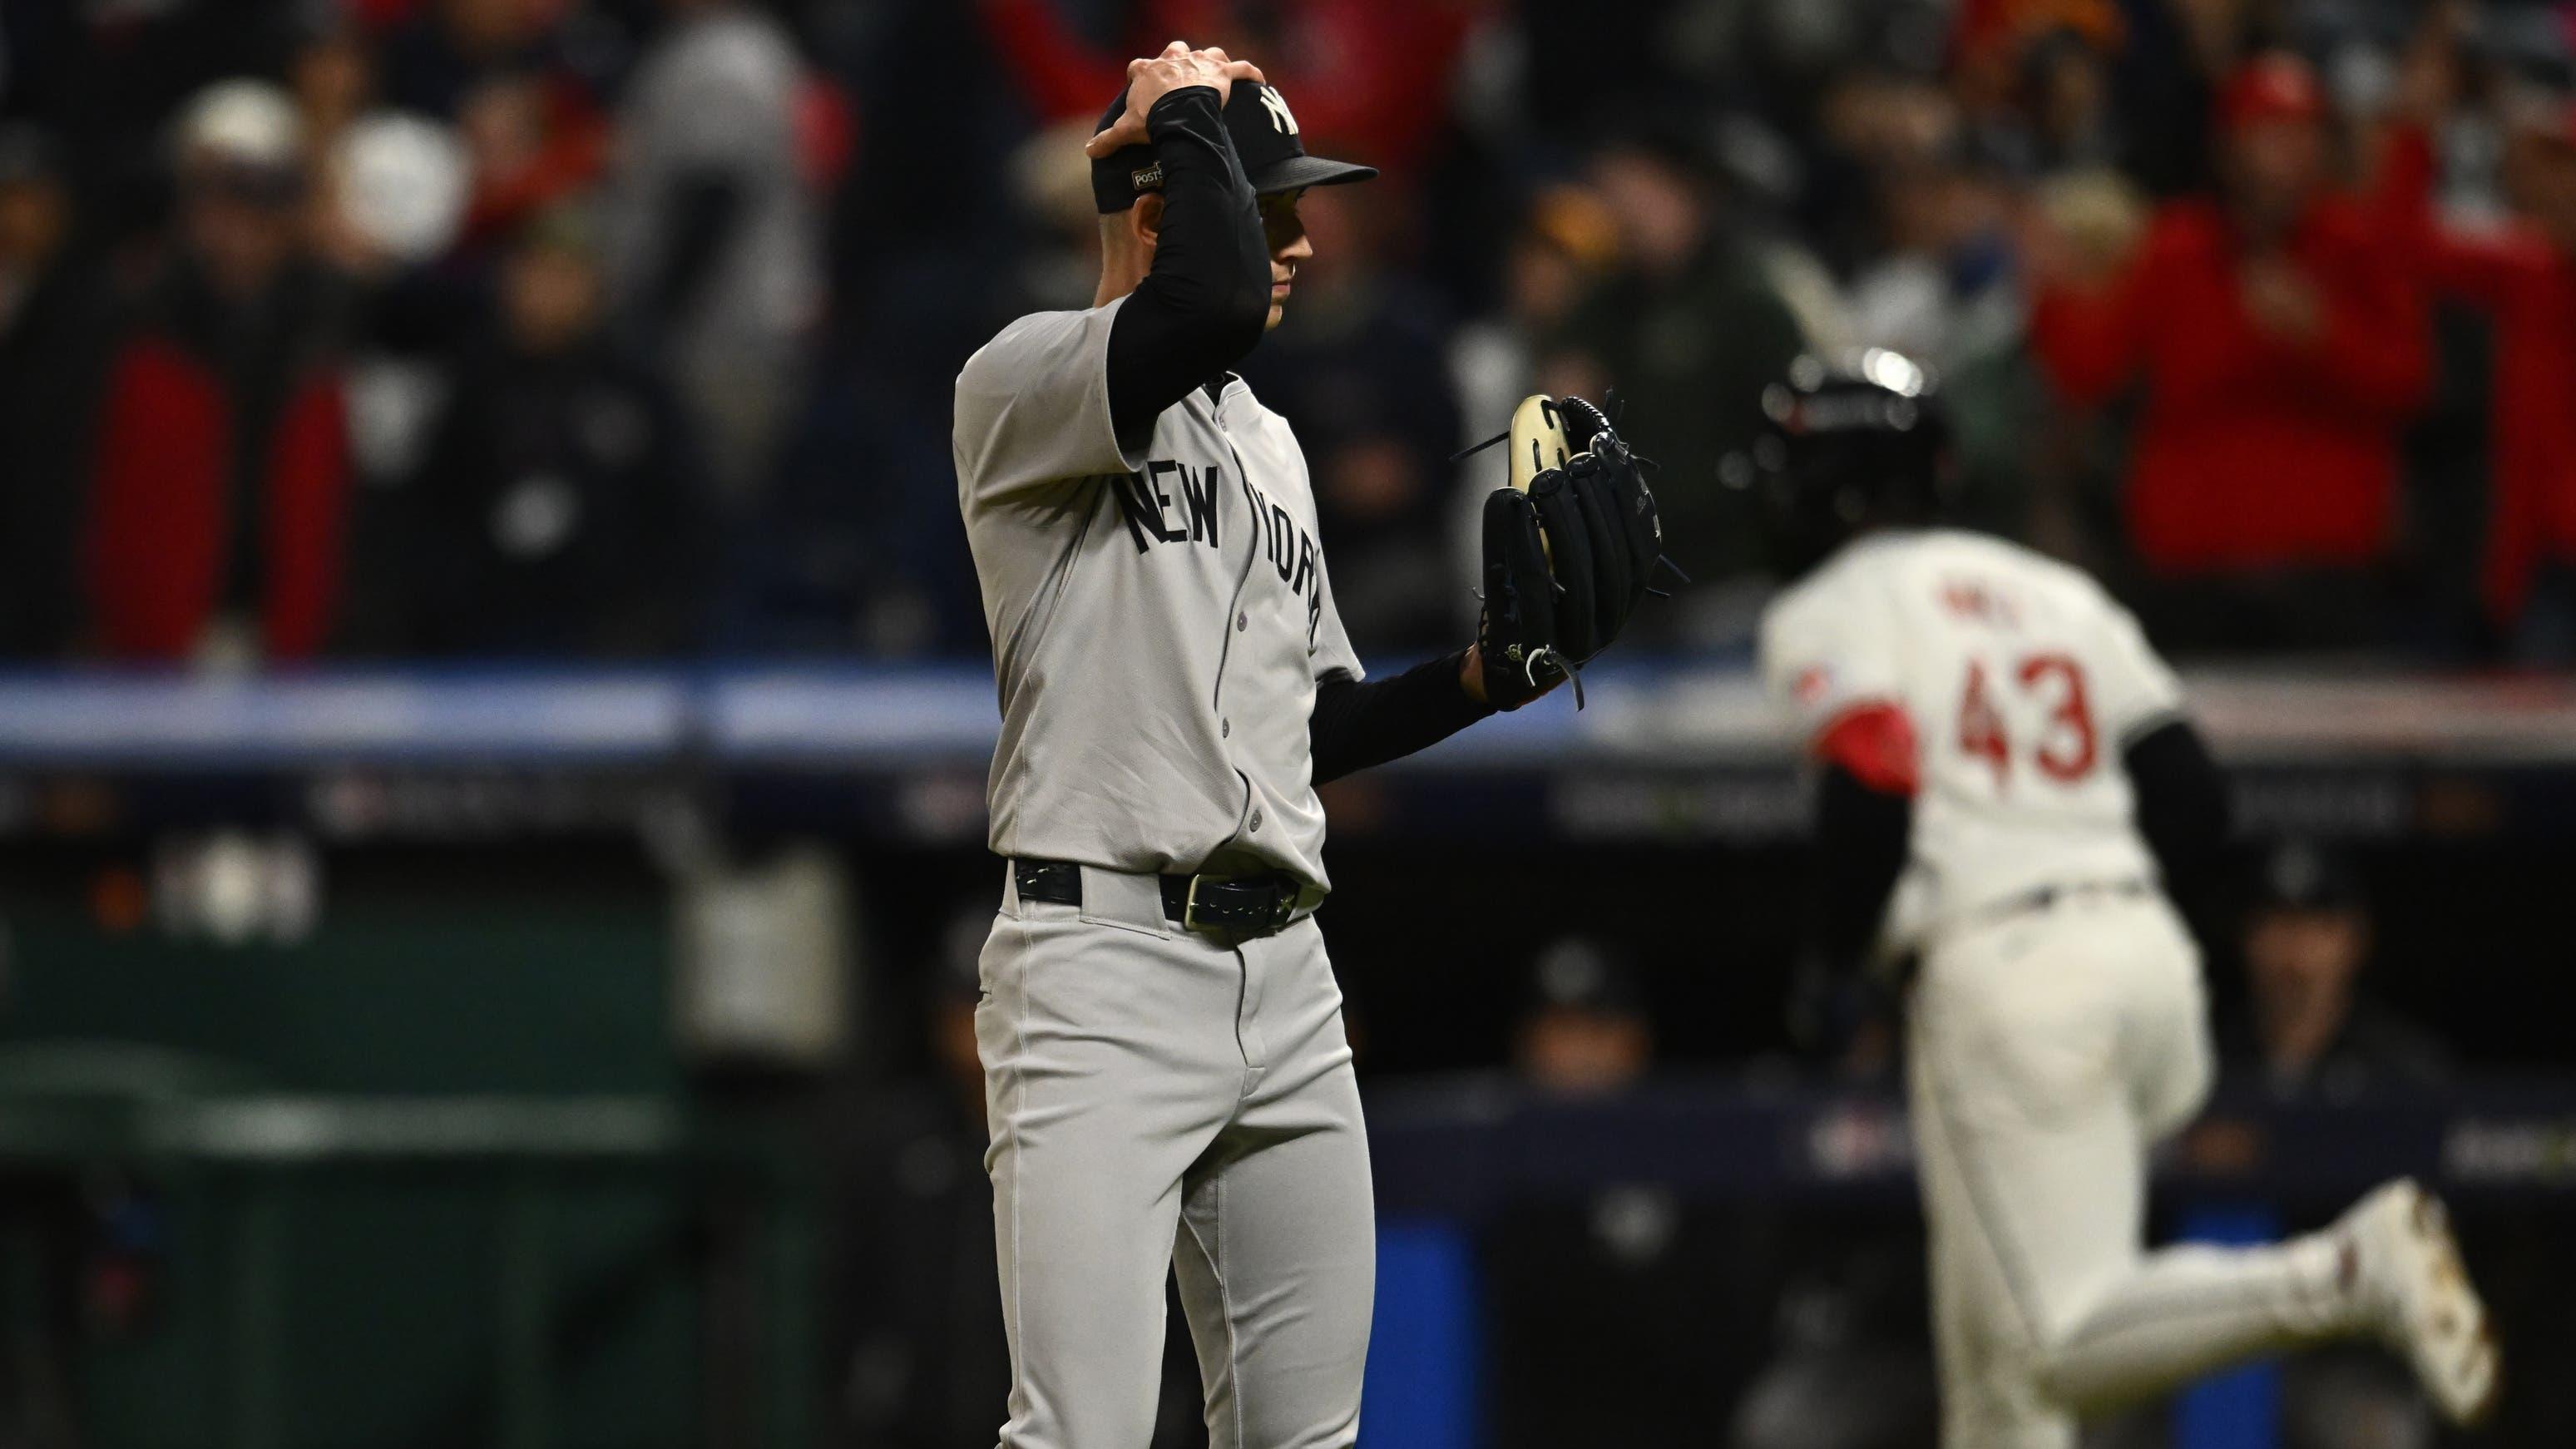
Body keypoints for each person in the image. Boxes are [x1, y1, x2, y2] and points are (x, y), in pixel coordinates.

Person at [949, 43, 1662, 1448]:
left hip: (1284, 974)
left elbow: (1308, 727)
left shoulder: (1268, 443)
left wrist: (1477, 676)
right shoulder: (1024, 382)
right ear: (1159, 210)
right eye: (1267, 206)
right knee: (1078, 1432)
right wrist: (1179, 113)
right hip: (1100, 968)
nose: (1302, 240)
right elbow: (1199, 301)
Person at [1750, 351, 2495, 1448]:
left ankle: (2347, 1267)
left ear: (1826, 485)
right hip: (2141, 956)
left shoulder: (1829, 603)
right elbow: (2192, 796)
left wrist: (1830, 964)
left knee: (2055, 1342)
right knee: (1999, 1377)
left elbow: (1872, 778)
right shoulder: (2053, 587)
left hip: (2004, 977)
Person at [2028, 52, 2429, 652]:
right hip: (2192, 577)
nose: (2283, 158)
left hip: (2326, 576)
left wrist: (2323, 338)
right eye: (2266, 136)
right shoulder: (2176, 250)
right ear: (2227, 149)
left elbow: (2410, 383)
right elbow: (2087, 371)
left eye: (2299, 137)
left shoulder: (2356, 248)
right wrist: (2052, 292)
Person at [2224, 840, 2449, 1098]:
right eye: (2276, 925)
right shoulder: (2205, 1062)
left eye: (2318, 928)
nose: (2295, 949)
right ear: (2246, 939)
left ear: (2357, 941)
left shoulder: (2406, 1071)